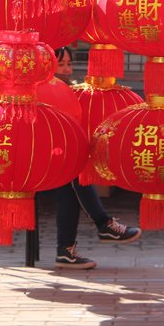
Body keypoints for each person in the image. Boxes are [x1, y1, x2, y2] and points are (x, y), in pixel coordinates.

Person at [49, 47, 141, 270]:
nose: (67, 70)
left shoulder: (68, 90)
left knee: (72, 188)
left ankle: (67, 251)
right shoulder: (46, 91)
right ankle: (103, 224)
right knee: (75, 176)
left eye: (69, 64)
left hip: (60, 160)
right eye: (60, 65)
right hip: (42, 160)